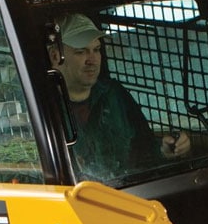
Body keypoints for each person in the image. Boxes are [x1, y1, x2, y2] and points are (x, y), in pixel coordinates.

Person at [48, 13, 190, 181]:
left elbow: (142, 146)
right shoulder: (43, 107)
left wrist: (163, 150)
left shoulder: (114, 94)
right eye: (81, 52)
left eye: (97, 50)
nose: (92, 60)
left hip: (126, 194)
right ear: (55, 56)